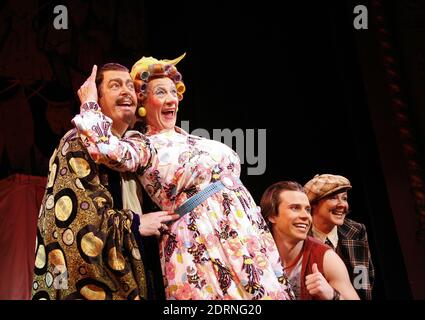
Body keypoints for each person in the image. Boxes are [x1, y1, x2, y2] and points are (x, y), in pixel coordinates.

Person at [71, 54, 294, 300]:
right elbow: (105, 149)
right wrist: (90, 103)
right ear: (144, 102)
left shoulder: (193, 139)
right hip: (202, 241)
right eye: (161, 93)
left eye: (173, 92)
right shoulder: (144, 144)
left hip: (243, 233)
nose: (171, 100)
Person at [32, 63, 178, 300]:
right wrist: (134, 225)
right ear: (98, 100)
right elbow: (76, 220)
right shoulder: (77, 142)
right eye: (115, 85)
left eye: (130, 86)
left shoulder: (136, 148)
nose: (126, 91)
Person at [260, 181, 360, 300]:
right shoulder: (256, 252)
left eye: (307, 210)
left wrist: (332, 295)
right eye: (295, 208)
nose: (306, 216)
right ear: (272, 215)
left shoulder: (326, 258)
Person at [303, 174, 375, 300]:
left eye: (344, 198)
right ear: (313, 203)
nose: (342, 205)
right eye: (333, 198)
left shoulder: (355, 231)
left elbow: (363, 278)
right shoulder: (301, 235)